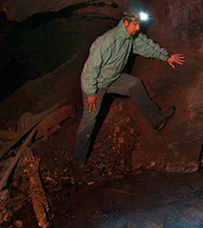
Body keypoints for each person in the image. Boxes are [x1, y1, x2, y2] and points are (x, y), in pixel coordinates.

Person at [73, 10, 185, 165]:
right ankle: (78, 161)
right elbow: (89, 70)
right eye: (135, 24)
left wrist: (166, 57)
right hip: (96, 84)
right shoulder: (108, 41)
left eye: (139, 24)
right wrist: (91, 92)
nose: (138, 28)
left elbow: (147, 46)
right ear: (125, 23)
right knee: (89, 120)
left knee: (134, 84)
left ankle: (155, 118)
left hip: (113, 79)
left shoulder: (132, 38)